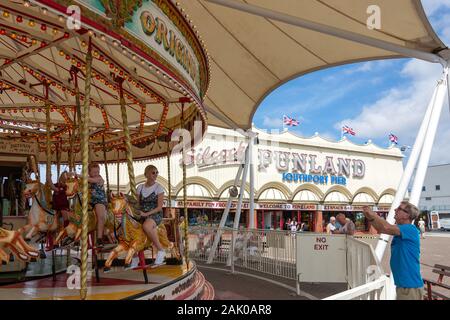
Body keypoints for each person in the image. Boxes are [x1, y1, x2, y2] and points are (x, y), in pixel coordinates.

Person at [362, 202, 424, 300]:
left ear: (407, 215)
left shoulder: (409, 229)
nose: (395, 210)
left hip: (409, 286)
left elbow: (385, 227)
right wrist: (370, 217)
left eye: (399, 208)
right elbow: (381, 228)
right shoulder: (402, 230)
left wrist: (373, 215)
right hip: (405, 285)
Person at [136, 165, 166, 266]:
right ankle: (135, 256)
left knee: (146, 226)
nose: (156, 174)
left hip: (155, 214)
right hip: (142, 213)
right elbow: (137, 204)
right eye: (153, 172)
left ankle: (161, 250)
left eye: (157, 172)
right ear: (147, 174)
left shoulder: (158, 187)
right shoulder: (140, 187)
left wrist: (146, 214)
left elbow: (159, 207)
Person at [87, 163, 109, 248]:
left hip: (99, 200)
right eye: (94, 172)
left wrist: (78, 175)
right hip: (89, 201)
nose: (96, 173)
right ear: (89, 173)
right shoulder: (88, 179)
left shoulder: (99, 178)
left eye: (98, 171)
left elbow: (92, 181)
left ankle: (99, 238)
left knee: (101, 216)